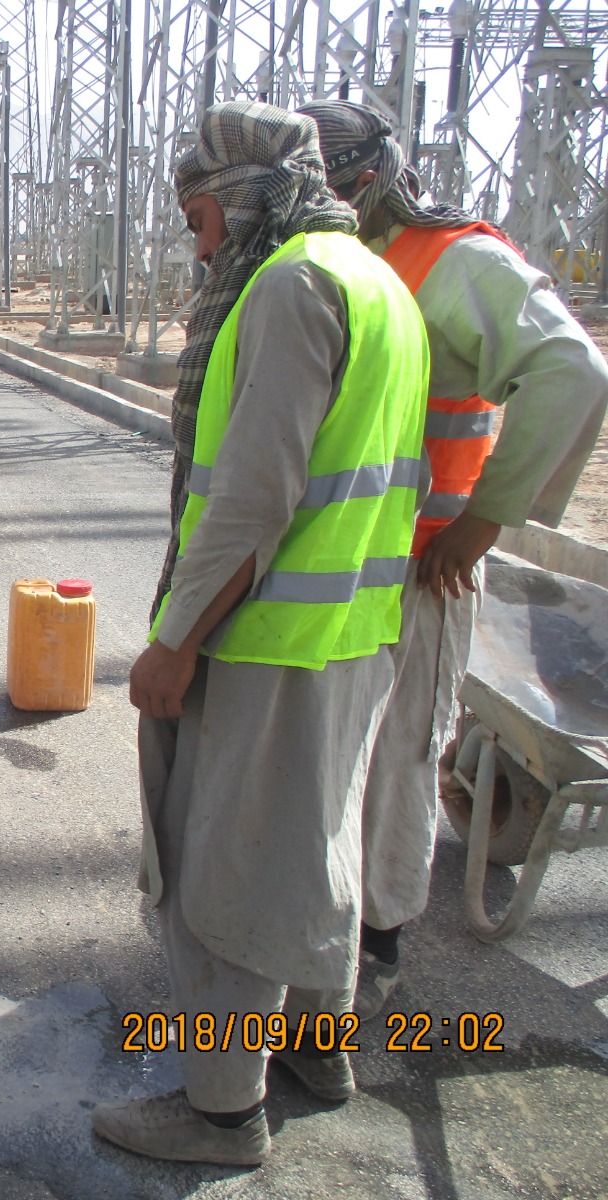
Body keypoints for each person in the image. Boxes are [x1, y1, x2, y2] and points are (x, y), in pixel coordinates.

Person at [92, 102, 429, 1166]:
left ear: (240, 200)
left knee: (225, 878)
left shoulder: (289, 286)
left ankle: (221, 1113)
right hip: (353, 636)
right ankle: (316, 1054)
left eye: (196, 219)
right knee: (313, 849)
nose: (194, 245)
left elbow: (253, 493)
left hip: (261, 639)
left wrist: (176, 637)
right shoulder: (379, 281)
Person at [297, 98, 608, 1018]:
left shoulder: (454, 261)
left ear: (369, 182)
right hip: (339, 570)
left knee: (398, 757)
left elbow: (572, 371)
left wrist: (490, 521)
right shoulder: (352, 263)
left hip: (421, 566)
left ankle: (377, 937)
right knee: (332, 759)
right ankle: (330, 919)